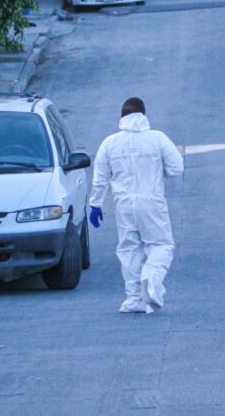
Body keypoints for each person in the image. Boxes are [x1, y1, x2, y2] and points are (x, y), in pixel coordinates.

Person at [90, 97, 184, 314]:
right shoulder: (157, 138)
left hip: (123, 204)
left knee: (129, 249)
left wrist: (95, 204)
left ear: (121, 117)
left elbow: (100, 178)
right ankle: (151, 278)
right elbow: (177, 167)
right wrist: (160, 172)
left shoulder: (110, 143)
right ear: (144, 115)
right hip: (151, 200)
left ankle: (134, 299)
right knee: (161, 245)